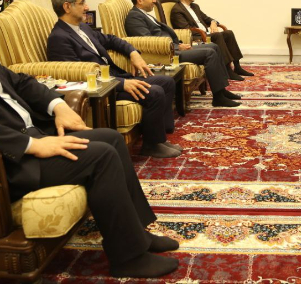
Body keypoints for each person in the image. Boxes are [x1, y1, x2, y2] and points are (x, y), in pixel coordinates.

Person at [0, 64, 180, 278]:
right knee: (101, 156)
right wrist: (31, 144)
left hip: (35, 136)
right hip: (13, 160)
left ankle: (137, 233)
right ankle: (128, 257)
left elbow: (23, 82)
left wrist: (58, 105)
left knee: (112, 138)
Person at [47, 0, 181, 158]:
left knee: (166, 82)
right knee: (154, 92)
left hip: (114, 78)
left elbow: (111, 39)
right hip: (104, 90)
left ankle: (160, 137)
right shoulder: (59, 38)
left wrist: (133, 53)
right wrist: (122, 84)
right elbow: (76, 74)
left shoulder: (83, 28)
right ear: (67, 7)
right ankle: (152, 145)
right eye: (82, 3)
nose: (87, 7)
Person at [124, 0, 241, 107]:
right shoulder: (134, 17)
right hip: (167, 54)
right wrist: (176, 47)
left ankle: (221, 90)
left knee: (214, 46)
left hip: (172, 47)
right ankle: (218, 98)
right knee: (209, 53)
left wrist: (178, 43)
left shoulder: (143, 14)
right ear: (140, 0)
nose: (154, 0)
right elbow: (148, 41)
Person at [170, 0, 253, 80]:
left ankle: (237, 67)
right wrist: (205, 33)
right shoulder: (177, 10)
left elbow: (207, 19)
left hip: (205, 34)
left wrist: (213, 23)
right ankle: (227, 70)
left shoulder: (195, 6)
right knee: (217, 35)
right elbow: (186, 30)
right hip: (196, 37)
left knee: (228, 33)